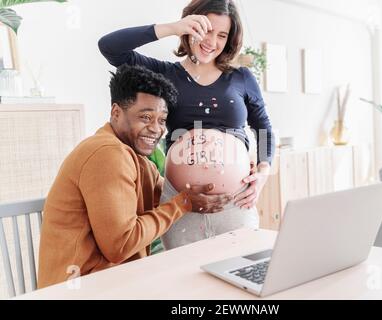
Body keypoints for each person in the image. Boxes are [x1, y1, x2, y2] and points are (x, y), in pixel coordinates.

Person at [98, 0, 274, 249]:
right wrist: (172, 27)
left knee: (241, 272)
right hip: (181, 203)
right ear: (190, 26)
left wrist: (264, 171)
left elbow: (263, 127)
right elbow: (110, 47)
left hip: (236, 202)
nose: (212, 42)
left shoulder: (241, 78)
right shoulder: (165, 74)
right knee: (185, 280)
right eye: (207, 30)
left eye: (222, 35)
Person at [37, 65, 232, 288]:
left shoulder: (135, 158)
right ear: (116, 112)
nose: (155, 129)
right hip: (78, 290)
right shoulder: (108, 153)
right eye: (145, 117)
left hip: (112, 281)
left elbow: (169, 192)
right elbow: (121, 245)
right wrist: (185, 202)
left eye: (161, 120)